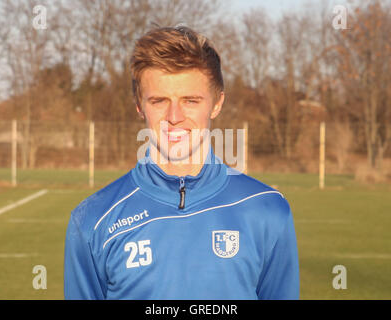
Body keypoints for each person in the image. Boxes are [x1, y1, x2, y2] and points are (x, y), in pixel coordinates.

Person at [64, 26, 299, 300]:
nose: (174, 116)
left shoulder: (268, 211)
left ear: (217, 103)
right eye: (159, 100)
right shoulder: (93, 221)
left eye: (190, 100)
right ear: (139, 105)